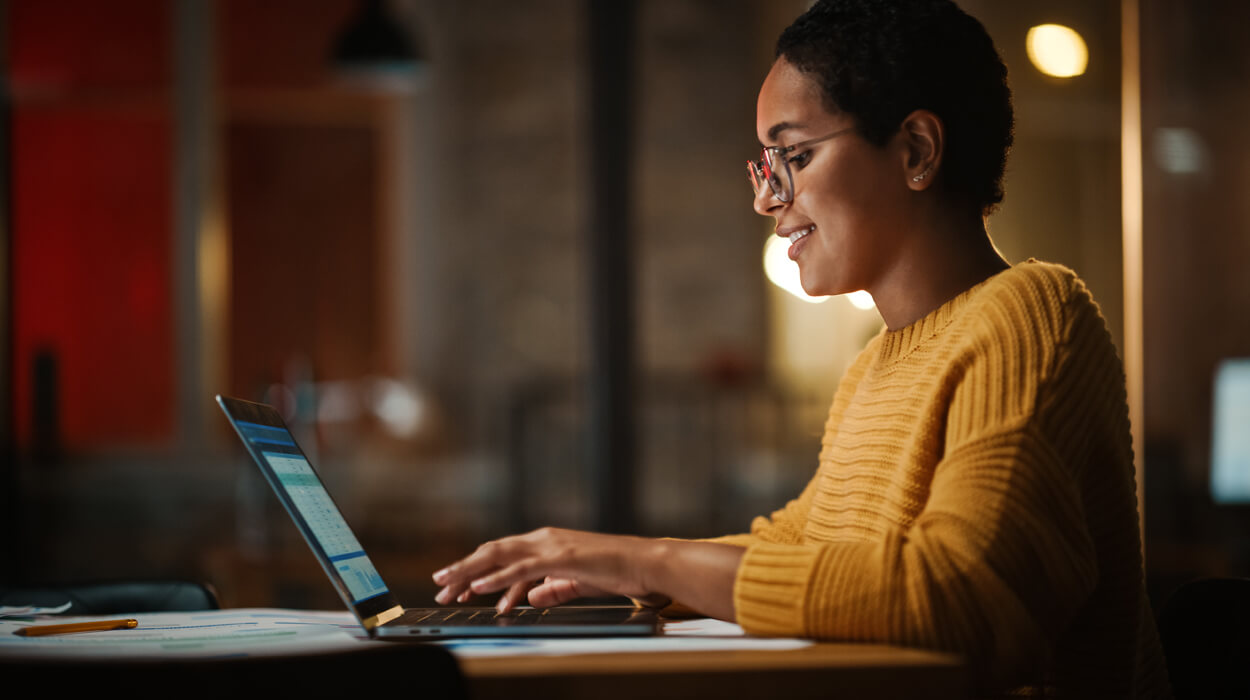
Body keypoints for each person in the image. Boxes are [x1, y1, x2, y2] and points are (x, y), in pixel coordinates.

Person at [432, 0, 1171, 696]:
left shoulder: (1033, 313)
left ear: (916, 148)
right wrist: (622, 569)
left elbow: (962, 596)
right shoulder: (876, 365)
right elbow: (802, 547)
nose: (766, 199)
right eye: (765, 164)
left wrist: (643, 560)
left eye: (795, 156)